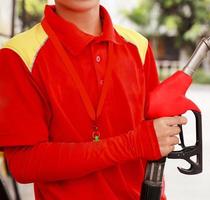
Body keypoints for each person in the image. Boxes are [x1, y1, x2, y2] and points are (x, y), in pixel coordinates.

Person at [0, 0, 187, 199]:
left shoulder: (138, 46)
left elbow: (153, 147)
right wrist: (132, 144)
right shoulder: (18, 54)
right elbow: (25, 164)